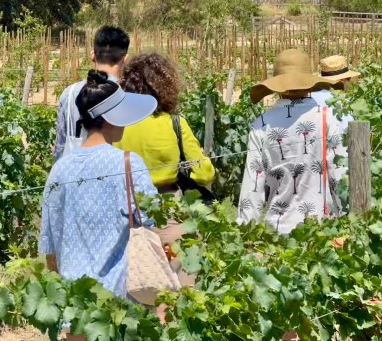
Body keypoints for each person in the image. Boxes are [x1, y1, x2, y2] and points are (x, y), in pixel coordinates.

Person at [40, 70, 158, 301]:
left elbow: (49, 242)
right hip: (117, 296)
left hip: (75, 297)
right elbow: (150, 216)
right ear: (109, 118)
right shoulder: (128, 163)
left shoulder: (60, 169)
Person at [115, 53, 215, 287]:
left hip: (125, 209)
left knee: (135, 285)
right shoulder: (174, 123)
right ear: (165, 85)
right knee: (182, 288)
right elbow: (205, 173)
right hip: (168, 210)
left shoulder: (116, 125)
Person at [237, 49, 348, 234]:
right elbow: (340, 175)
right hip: (324, 230)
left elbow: (253, 188)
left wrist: (245, 234)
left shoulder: (261, 124)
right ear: (309, 82)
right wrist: (349, 222)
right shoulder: (328, 117)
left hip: (279, 232)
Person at [53, 26, 130, 160]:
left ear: (92, 54)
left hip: (73, 173)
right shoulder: (127, 95)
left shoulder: (69, 93)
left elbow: (61, 145)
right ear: (125, 58)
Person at [311, 55, 361, 131]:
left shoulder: (311, 96)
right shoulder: (344, 102)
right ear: (342, 80)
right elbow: (347, 129)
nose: (349, 82)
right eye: (348, 78)